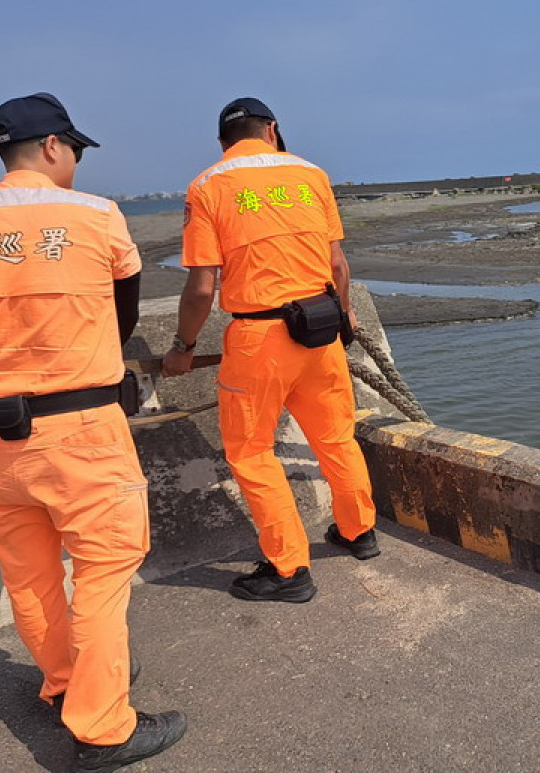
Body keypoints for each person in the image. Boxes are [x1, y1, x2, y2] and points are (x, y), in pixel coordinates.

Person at [0, 93, 186, 772]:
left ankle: (63, 684)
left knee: (29, 575)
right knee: (102, 574)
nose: (78, 161)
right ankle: (103, 727)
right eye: (76, 149)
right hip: (83, 428)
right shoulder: (95, 216)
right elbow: (122, 310)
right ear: (54, 146)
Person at [162, 97, 379, 603]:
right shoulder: (311, 174)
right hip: (321, 331)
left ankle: (288, 570)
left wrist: (182, 347)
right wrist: (343, 315)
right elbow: (338, 267)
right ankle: (358, 532)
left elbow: (200, 289)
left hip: (260, 338)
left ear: (222, 142)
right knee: (336, 437)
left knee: (252, 452)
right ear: (273, 130)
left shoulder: (209, 185)